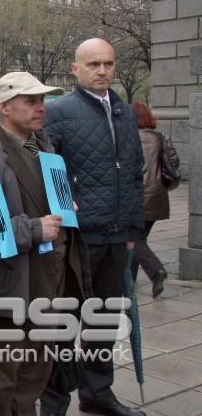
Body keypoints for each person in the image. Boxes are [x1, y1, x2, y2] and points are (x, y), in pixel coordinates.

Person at [0, 72, 90, 416]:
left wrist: (66, 205)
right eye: (30, 101)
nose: (40, 108)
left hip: (48, 275)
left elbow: (47, 196)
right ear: (4, 108)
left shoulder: (43, 142)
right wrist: (34, 229)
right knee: (3, 373)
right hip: (7, 282)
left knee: (37, 367)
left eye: (41, 101)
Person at [43, 38, 145, 416]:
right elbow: (47, 170)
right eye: (93, 65)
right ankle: (54, 400)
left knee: (103, 319)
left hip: (117, 234)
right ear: (76, 69)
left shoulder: (124, 111)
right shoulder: (59, 112)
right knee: (66, 319)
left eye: (108, 64)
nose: (102, 71)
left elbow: (135, 172)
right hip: (78, 236)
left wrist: (135, 231)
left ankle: (97, 392)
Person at [131, 102, 171, 298]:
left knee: (133, 239)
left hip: (137, 195)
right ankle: (130, 276)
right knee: (140, 237)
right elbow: (174, 162)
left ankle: (156, 272)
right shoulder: (160, 138)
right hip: (158, 196)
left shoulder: (128, 138)